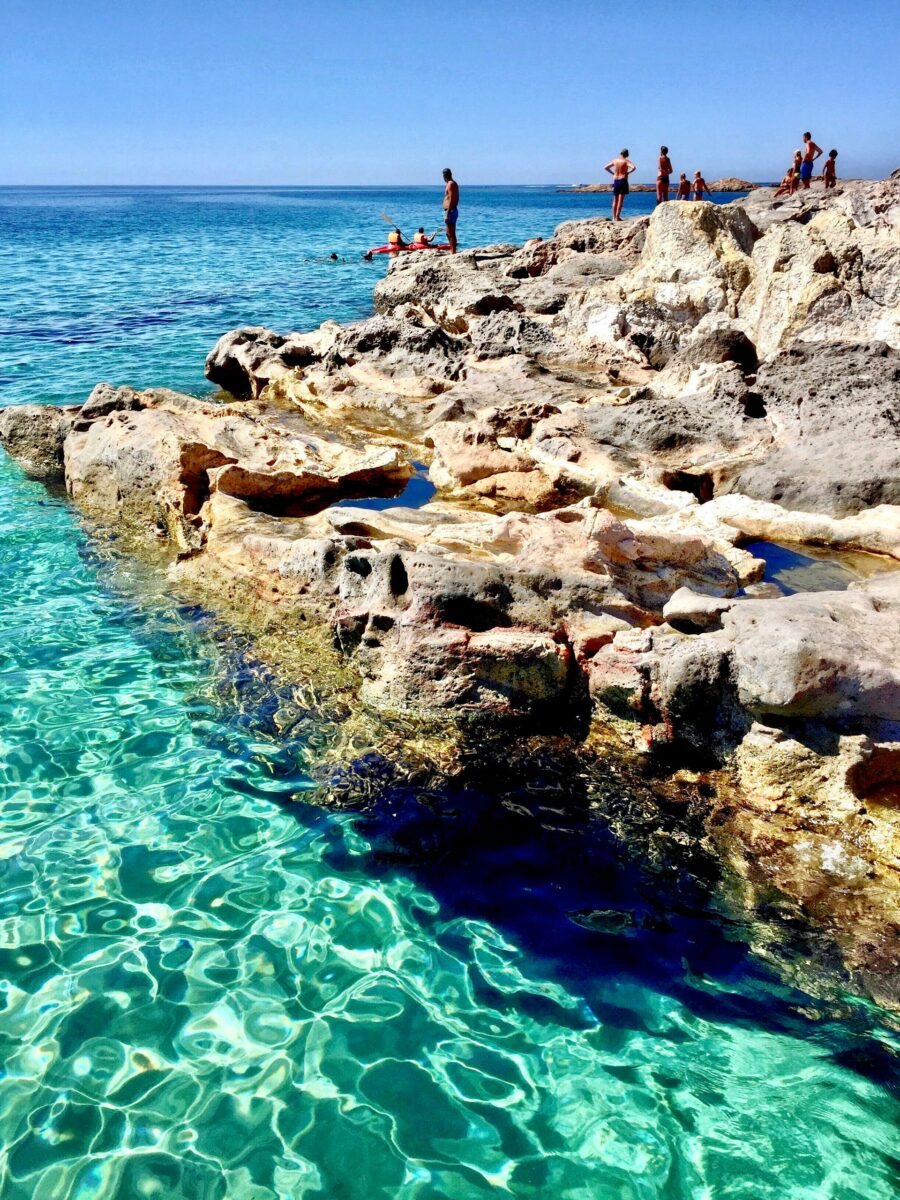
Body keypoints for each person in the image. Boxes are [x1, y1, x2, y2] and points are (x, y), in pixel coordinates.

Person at [604, 148, 637, 221]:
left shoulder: (615, 160)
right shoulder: (626, 161)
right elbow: (634, 167)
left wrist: (613, 173)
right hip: (623, 180)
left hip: (616, 180)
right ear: (627, 154)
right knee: (620, 200)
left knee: (615, 200)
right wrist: (628, 172)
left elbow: (606, 167)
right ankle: (617, 217)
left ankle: (613, 217)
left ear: (620, 153)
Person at [442, 168, 459, 254]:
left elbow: (452, 199)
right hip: (451, 210)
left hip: (450, 211)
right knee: (448, 233)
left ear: (444, 176)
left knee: (451, 233)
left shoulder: (451, 184)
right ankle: (452, 251)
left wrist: (447, 213)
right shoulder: (452, 183)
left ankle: (453, 252)